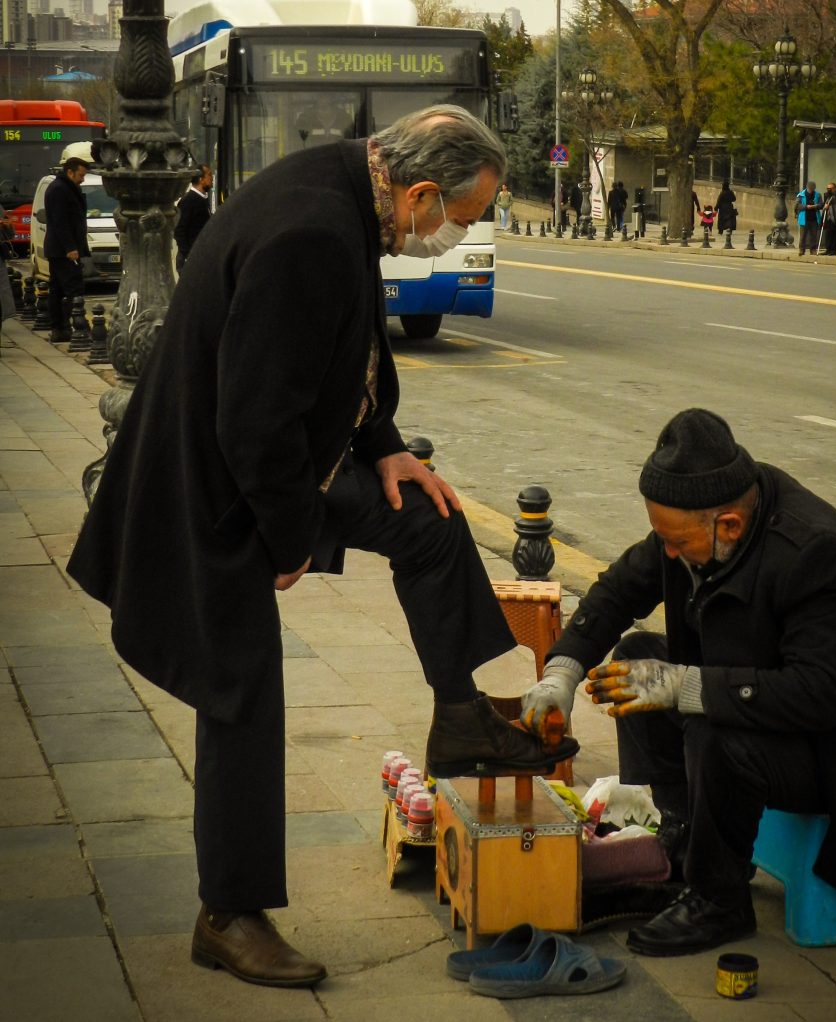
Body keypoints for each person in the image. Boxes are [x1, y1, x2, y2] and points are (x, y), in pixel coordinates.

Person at [67, 105, 576, 990]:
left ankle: (459, 718)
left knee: (430, 517)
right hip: (209, 483)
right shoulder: (315, 232)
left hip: (272, 459)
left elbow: (341, 358)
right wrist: (289, 541)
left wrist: (384, 448)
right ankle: (229, 914)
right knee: (243, 690)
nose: (454, 234)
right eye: (457, 218)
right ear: (419, 191)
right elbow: (256, 421)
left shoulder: (348, 193)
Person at [520, 408, 836, 957]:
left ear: (729, 526)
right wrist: (560, 677)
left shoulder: (815, 554)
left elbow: (819, 696)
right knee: (636, 661)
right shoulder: (699, 521)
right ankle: (686, 838)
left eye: (676, 542)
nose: (665, 552)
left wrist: (684, 686)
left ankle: (719, 899)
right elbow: (618, 591)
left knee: (712, 726)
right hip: (774, 712)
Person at [43, 155, 90, 344]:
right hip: (63, 250)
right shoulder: (59, 189)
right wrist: (70, 247)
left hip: (61, 248)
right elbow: (60, 221)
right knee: (73, 287)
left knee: (58, 288)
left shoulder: (66, 187)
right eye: (80, 175)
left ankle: (60, 328)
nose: (83, 179)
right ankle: (75, 326)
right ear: (70, 172)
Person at [174, 164, 213, 271]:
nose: (212, 178)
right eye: (209, 175)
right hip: (191, 259)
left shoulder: (202, 200)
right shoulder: (188, 201)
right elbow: (179, 230)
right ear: (201, 179)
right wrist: (188, 255)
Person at [795, 180, 822, 256]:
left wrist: (815, 206)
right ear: (807, 188)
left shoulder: (818, 195)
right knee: (803, 236)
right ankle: (801, 250)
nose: (811, 191)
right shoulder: (800, 195)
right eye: (810, 189)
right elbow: (797, 206)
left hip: (814, 218)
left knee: (813, 236)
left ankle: (813, 250)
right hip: (804, 219)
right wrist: (806, 206)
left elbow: (821, 205)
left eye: (812, 189)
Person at [819, 182, 836, 256]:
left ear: (834, 189)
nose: (828, 190)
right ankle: (828, 249)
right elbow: (825, 203)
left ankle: (833, 250)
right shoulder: (827, 195)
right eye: (827, 188)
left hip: (834, 218)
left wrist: (829, 206)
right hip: (827, 217)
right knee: (827, 234)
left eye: (830, 188)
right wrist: (824, 206)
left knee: (833, 234)